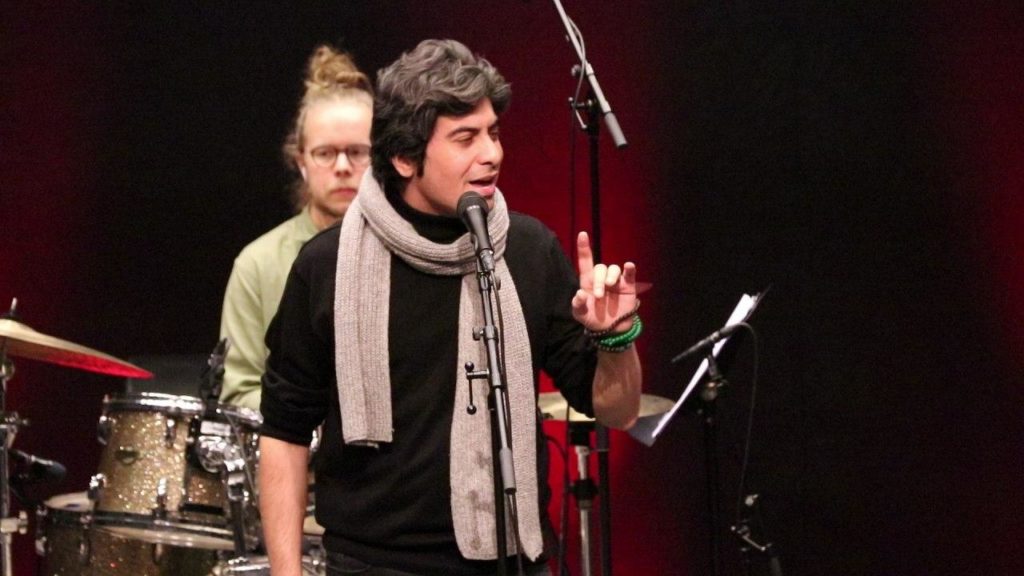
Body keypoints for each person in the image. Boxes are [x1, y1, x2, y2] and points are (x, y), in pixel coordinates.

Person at [258, 39, 643, 576]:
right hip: (373, 564)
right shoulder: (326, 265)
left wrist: (615, 338)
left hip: (512, 561)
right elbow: (284, 433)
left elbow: (618, 411)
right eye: (466, 138)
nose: (492, 153)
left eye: (493, 132)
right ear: (405, 157)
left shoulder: (529, 251)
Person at [219, 45, 373, 410]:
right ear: (301, 160)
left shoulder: (415, 251)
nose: (342, 167)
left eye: (357, 152)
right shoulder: (258, 264)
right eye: (325, 153)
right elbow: (238, 392)